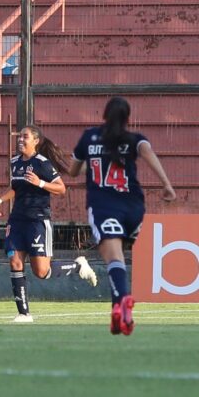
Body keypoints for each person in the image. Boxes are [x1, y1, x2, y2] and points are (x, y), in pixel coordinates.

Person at [69, 97, 176, 336]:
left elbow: (73, 171)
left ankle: (122, 301)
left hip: (104, 206)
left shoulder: (89, 138)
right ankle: (119, 308)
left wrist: (93, 163)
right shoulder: (134, 140)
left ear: (104, 115)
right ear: (127, 118)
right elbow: (148, 154)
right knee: (120, 255)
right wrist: (167, 185)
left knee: (114, 258)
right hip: (134, 207)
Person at [0, 125, 97, 323]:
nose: (20, 139)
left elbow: (61, 188)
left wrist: (40, 183)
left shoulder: (42, 163)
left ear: (36, 141)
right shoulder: (14, 163)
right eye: (19, 136)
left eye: (25, 136)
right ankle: (24, 314)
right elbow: (16, 188)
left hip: (38, 221)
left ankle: (77, 265)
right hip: (17, 220)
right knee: (14, 261)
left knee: (41, 272)